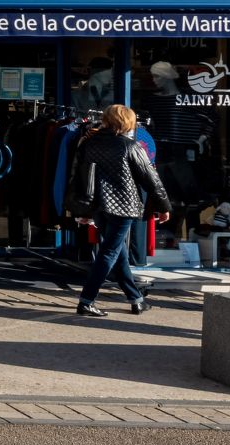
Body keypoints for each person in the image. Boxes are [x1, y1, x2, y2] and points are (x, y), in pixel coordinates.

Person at [69, 102, 169, 318]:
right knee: (110, 253)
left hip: (98, 206)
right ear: (127, 123)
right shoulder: (130, 146)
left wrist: (82, 209)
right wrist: (163, 207)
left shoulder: (89, 143)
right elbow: (152, 180)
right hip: (123, 207)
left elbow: (78, 177)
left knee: (118, 253)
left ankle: (136, 299)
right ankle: (86, 301)